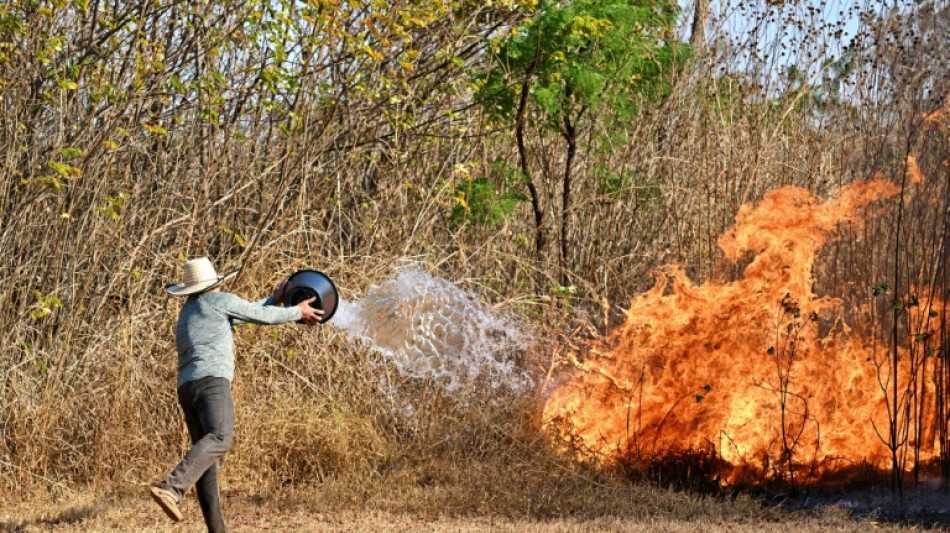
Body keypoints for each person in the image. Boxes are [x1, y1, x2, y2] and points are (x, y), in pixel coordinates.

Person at [148, 256, 322, 532]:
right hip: (212, 384)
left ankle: (217, 530)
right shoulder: (219, 301)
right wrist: (296, 312)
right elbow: (261, 317)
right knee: (220, 437)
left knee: (207, 462)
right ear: (214, 283)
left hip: (187, 388)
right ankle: (171, 487)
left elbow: (248, 312)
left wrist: (274, 298)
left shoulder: (189, 311)